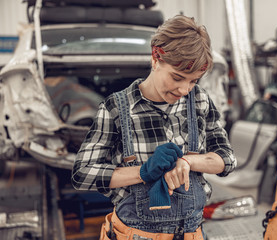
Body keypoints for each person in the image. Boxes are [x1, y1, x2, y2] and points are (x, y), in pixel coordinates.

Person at [71, 15, 236, 240]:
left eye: (193, 81)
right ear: (155, 58)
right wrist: (143, 172)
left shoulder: (200, 101)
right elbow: (82, 174)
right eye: (177, 77)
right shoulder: (117, 107)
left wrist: (188, 161)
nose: (184, 89)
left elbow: (227, 160)